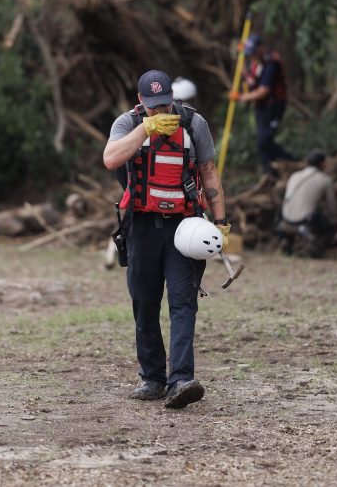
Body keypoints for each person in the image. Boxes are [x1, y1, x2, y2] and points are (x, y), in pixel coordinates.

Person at [103, 70, 230, 409]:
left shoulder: (193, 123)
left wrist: (221, 222)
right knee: (144, 302)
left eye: (165, 105)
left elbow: (208, 170)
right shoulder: (127, 123)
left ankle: (182, 380)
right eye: (153, 105)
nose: (161, 112)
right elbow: (111, 158)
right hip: (142, 226)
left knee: (183, 301)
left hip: (185, 227)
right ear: (141, 99)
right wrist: (145, 129)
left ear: (172, 98)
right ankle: (152, 378)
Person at [230, 35, 296, 175]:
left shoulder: (271, 64)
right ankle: (270, 171)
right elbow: (253, 82)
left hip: (273, 107)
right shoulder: (255, 63)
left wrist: (242, 97)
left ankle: (291, 160)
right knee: (262, 142)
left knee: (264, 141)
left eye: (252, 53)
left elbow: (263, 90)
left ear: (260, 49)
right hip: (261, 108)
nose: (251, 56)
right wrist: (243, 69)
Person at [278, 150, 337, 257]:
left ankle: (287, 241)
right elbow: (332, 208)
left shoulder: (294, 175)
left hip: (285, 218)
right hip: (304, 222)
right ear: (322, 163)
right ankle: (313, 249)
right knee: (334, 225)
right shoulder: (325, 180)